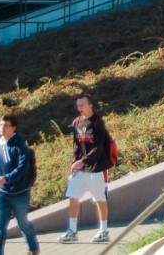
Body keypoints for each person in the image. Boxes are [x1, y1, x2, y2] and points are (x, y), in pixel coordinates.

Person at [59, 94, 113, 244]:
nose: (80, 108)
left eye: (82, 105)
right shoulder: (77, 122)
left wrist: (82, 161)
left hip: (97, 168)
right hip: (81, 169)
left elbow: (98, 147)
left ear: (90, 105)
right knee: (73, 196)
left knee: (100, 199)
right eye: (78, 105)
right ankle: (72, 231)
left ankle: (104, 231)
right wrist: (75, 162)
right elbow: (76, 146)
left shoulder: (98, 122)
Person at [0, 115, 39, 255]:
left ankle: (33, 248)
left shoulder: (20, 146)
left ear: (14, 128)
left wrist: (7, 178)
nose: (2, 128)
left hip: (19, 193)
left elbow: (22, 168)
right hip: (2, 193)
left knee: (23, 223)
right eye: (1, 125)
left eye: (6, 125)